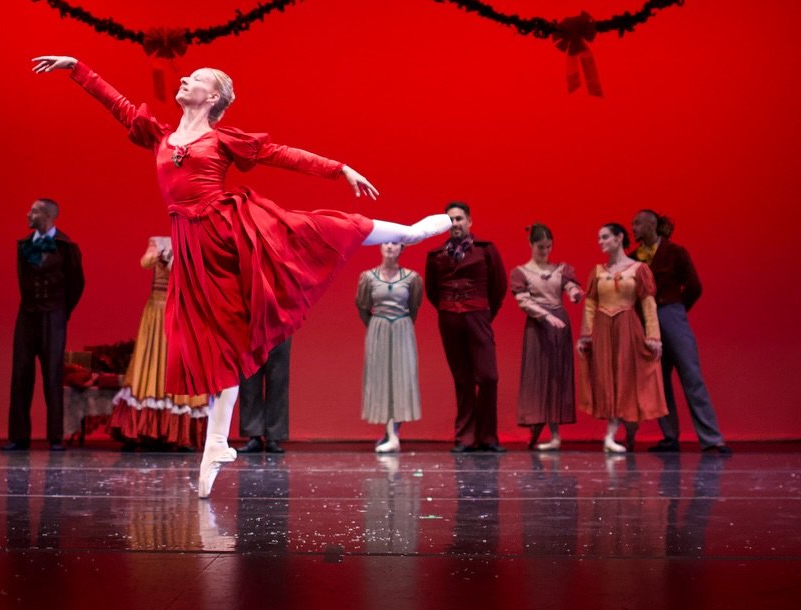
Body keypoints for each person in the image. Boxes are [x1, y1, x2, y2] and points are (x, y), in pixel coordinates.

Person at [31, 55, 449, 496]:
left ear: (212, 98)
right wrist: (78, 68)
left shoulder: (221, 138)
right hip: (192, 249)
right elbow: (116, 105)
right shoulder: (160, 135)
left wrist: (338, 168)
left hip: (228, 234)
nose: (184, 78)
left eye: (196, 78)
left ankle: (407, 231)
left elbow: (279, 154)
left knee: (314, 227)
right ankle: (216, 442)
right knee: (218, 340)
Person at [632, 209, 729, 455]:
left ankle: (712, 439)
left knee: (691, 376)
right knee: (660, 381)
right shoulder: (634, 258)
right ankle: (670, 437)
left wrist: (677, 309)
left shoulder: (675, 252)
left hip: (671, 313)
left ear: (652, 224)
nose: (633, 228)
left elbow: (694, 286)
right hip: (648, 321)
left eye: (638, 223)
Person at [108, 236, 208, 451]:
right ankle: (148, 430)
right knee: (152, 365)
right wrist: (159, 254)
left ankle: (180, 433)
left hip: (182, 313)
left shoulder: (197, 244)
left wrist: (174, 258)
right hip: (157, 313)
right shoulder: (160, 241)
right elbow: (145, 262)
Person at [577, 222, 667, 453]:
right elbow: (590, 305)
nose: (601, 242)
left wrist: (653, 336)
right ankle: (610, 435)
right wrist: (586, 335)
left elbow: (648, 304)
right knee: (609, 378)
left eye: (605, 237)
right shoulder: (597, 271)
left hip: (628, 328)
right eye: (599, 238)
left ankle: (629, 430)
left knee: (627, 377)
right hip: (604, 329)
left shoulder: (638, 269)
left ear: (619, 238)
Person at [425, 202, 508, 453]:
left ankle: (488, 437)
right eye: (451, 220)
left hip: (478, 315)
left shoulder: (486, 250)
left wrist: (483, 313)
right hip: (450, 318)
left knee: (488, 377)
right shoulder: (436, 256)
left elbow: (499, 286)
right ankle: (465, 437)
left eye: (460, 219)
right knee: (462, 379)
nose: (456, 223)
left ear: (469, 221)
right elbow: (432, 291)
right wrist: (449, 309)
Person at [4, 197, 85, 452]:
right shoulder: (24, 245)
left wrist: (61, 312)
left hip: (53, 316)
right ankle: (19, 436)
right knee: (20, 375)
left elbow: (76, 284)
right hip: (27, 316)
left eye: (34, 211)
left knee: (52, 375)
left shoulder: (65, 247)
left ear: (48, 216)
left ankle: (56, 437)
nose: (28, 214)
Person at [509, 223, 582, 450]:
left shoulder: (560, 269)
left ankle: (555, 435)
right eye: (541, 247)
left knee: (556, 376)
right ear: (530, 244)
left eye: (549, 247)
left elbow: (570, 286)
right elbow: (523, 300)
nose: (545, 251)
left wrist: (575, 293)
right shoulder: (521, 272)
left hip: (559, 324)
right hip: (538, 325)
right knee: (537, 375)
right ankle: (535, 427)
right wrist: (544, 316)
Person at [357, 242, 423, 452]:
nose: (390, 247)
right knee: (382, 379)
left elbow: (414, 306)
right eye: (386, 242)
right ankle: (390, 434)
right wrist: (378, 326)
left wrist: (401, 324)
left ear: (402, 249)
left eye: (395, 243)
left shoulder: (412, 278)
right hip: (379, 328)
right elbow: (363, 306)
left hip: (402, 328)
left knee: (401, 379)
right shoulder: (368, 277)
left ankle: (394, 434)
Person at [238, 338, 291, 453]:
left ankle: (274, 436)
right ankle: (253, 434)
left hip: (279, 325)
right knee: (249, 380)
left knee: (278, 380)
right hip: (250, 326)